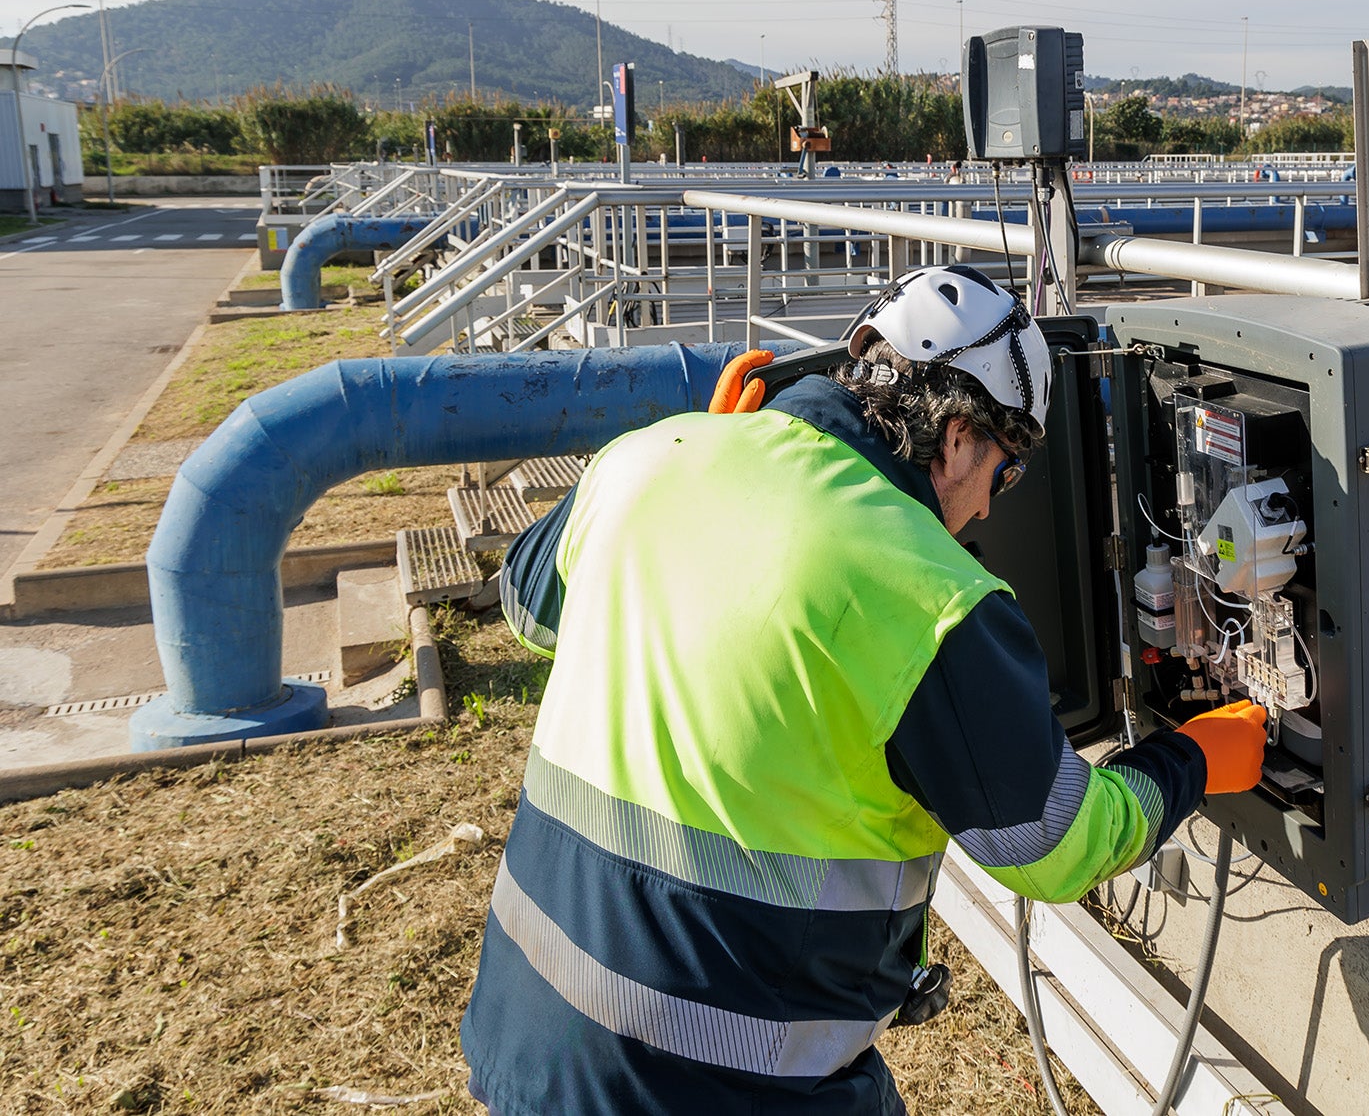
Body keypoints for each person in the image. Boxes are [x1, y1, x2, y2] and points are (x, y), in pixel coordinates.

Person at [459, 265, 1267, 1114]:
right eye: (1007, 472)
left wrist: (702, 445)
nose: (991, 508)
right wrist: (1195, 760)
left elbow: (529, 608)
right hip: (714, 1080)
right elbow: (1055, 844)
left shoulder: (648, 458)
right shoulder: (929, 594)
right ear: (957, 436)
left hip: (527, 1034)